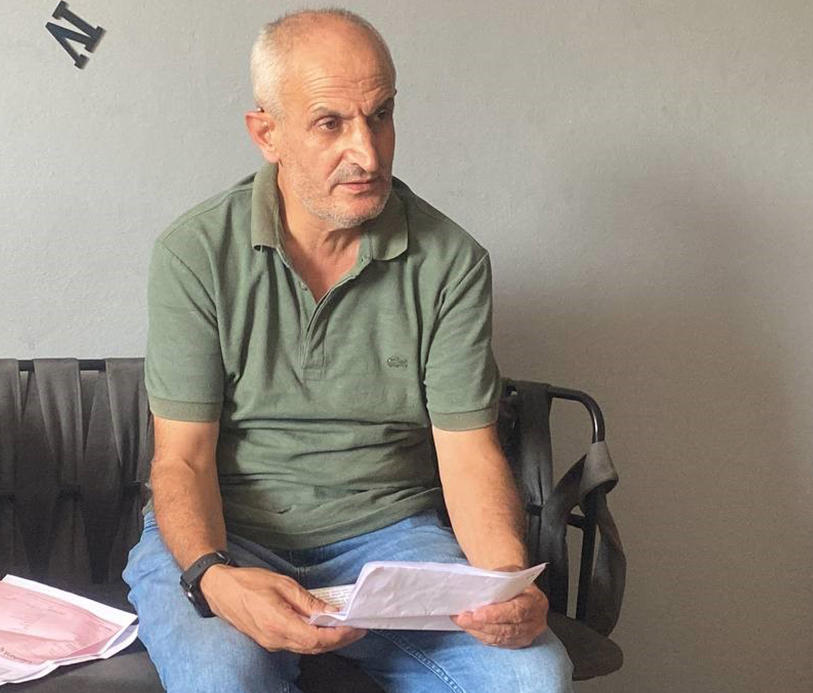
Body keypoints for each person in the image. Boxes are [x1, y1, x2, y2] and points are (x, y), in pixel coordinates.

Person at [123, 8, 574, 692]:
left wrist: (504, 583)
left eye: (381, 115)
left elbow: (469, 456)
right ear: (267, 133)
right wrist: (212, 576)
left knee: (532, 677)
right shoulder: (195, 254)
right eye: (330, 123)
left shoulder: (451, 261)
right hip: (229, 532)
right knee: (223, 676)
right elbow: (181, 459)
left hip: (392, 538)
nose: (367, 152)